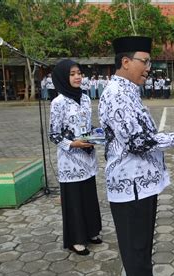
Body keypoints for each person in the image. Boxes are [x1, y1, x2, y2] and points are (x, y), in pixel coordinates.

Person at [98, 36, 174, 276]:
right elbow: (138, 142)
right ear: (126, 61)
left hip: (139, 184)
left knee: (141, 243)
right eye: (144, 61)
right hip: (129, 185)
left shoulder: (129, 90)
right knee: (135, 245)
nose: (148, 67)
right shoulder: (117, 94)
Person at [48, 59, 102, 256]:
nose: (78, 76)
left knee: (88, 196)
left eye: (79, 73)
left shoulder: (86, 98)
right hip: (70, 161)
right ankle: (76, 240)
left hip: (87, 157)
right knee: (74, 200)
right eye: (72, 74)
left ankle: (91, 232)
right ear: (63, 77)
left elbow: (86, 126)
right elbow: (54, 135)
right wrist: (73, 144)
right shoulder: (58, 102)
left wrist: (96, 135)